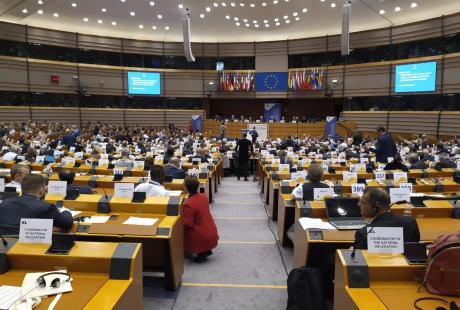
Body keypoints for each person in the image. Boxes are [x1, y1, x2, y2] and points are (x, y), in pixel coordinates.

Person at [0, 174, 73, 235]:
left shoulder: (4, 203)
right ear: (41, 191)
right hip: (31, 247)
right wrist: (65, 211)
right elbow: (67, 224)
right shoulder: (46, 207)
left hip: (4, 245)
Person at [355, 187, 420, 249]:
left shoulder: (364, 234)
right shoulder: (410, 222)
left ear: (376, 208)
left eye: (362, 202)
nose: (358, 204)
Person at [182, 175, 218, 263]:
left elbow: (188, 224)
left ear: (185, 187)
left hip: (201, 235)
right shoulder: (204, 196)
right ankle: (205, 249)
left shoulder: (189, 204)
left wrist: (179, 218)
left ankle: (200, 251)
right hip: (211, 230)